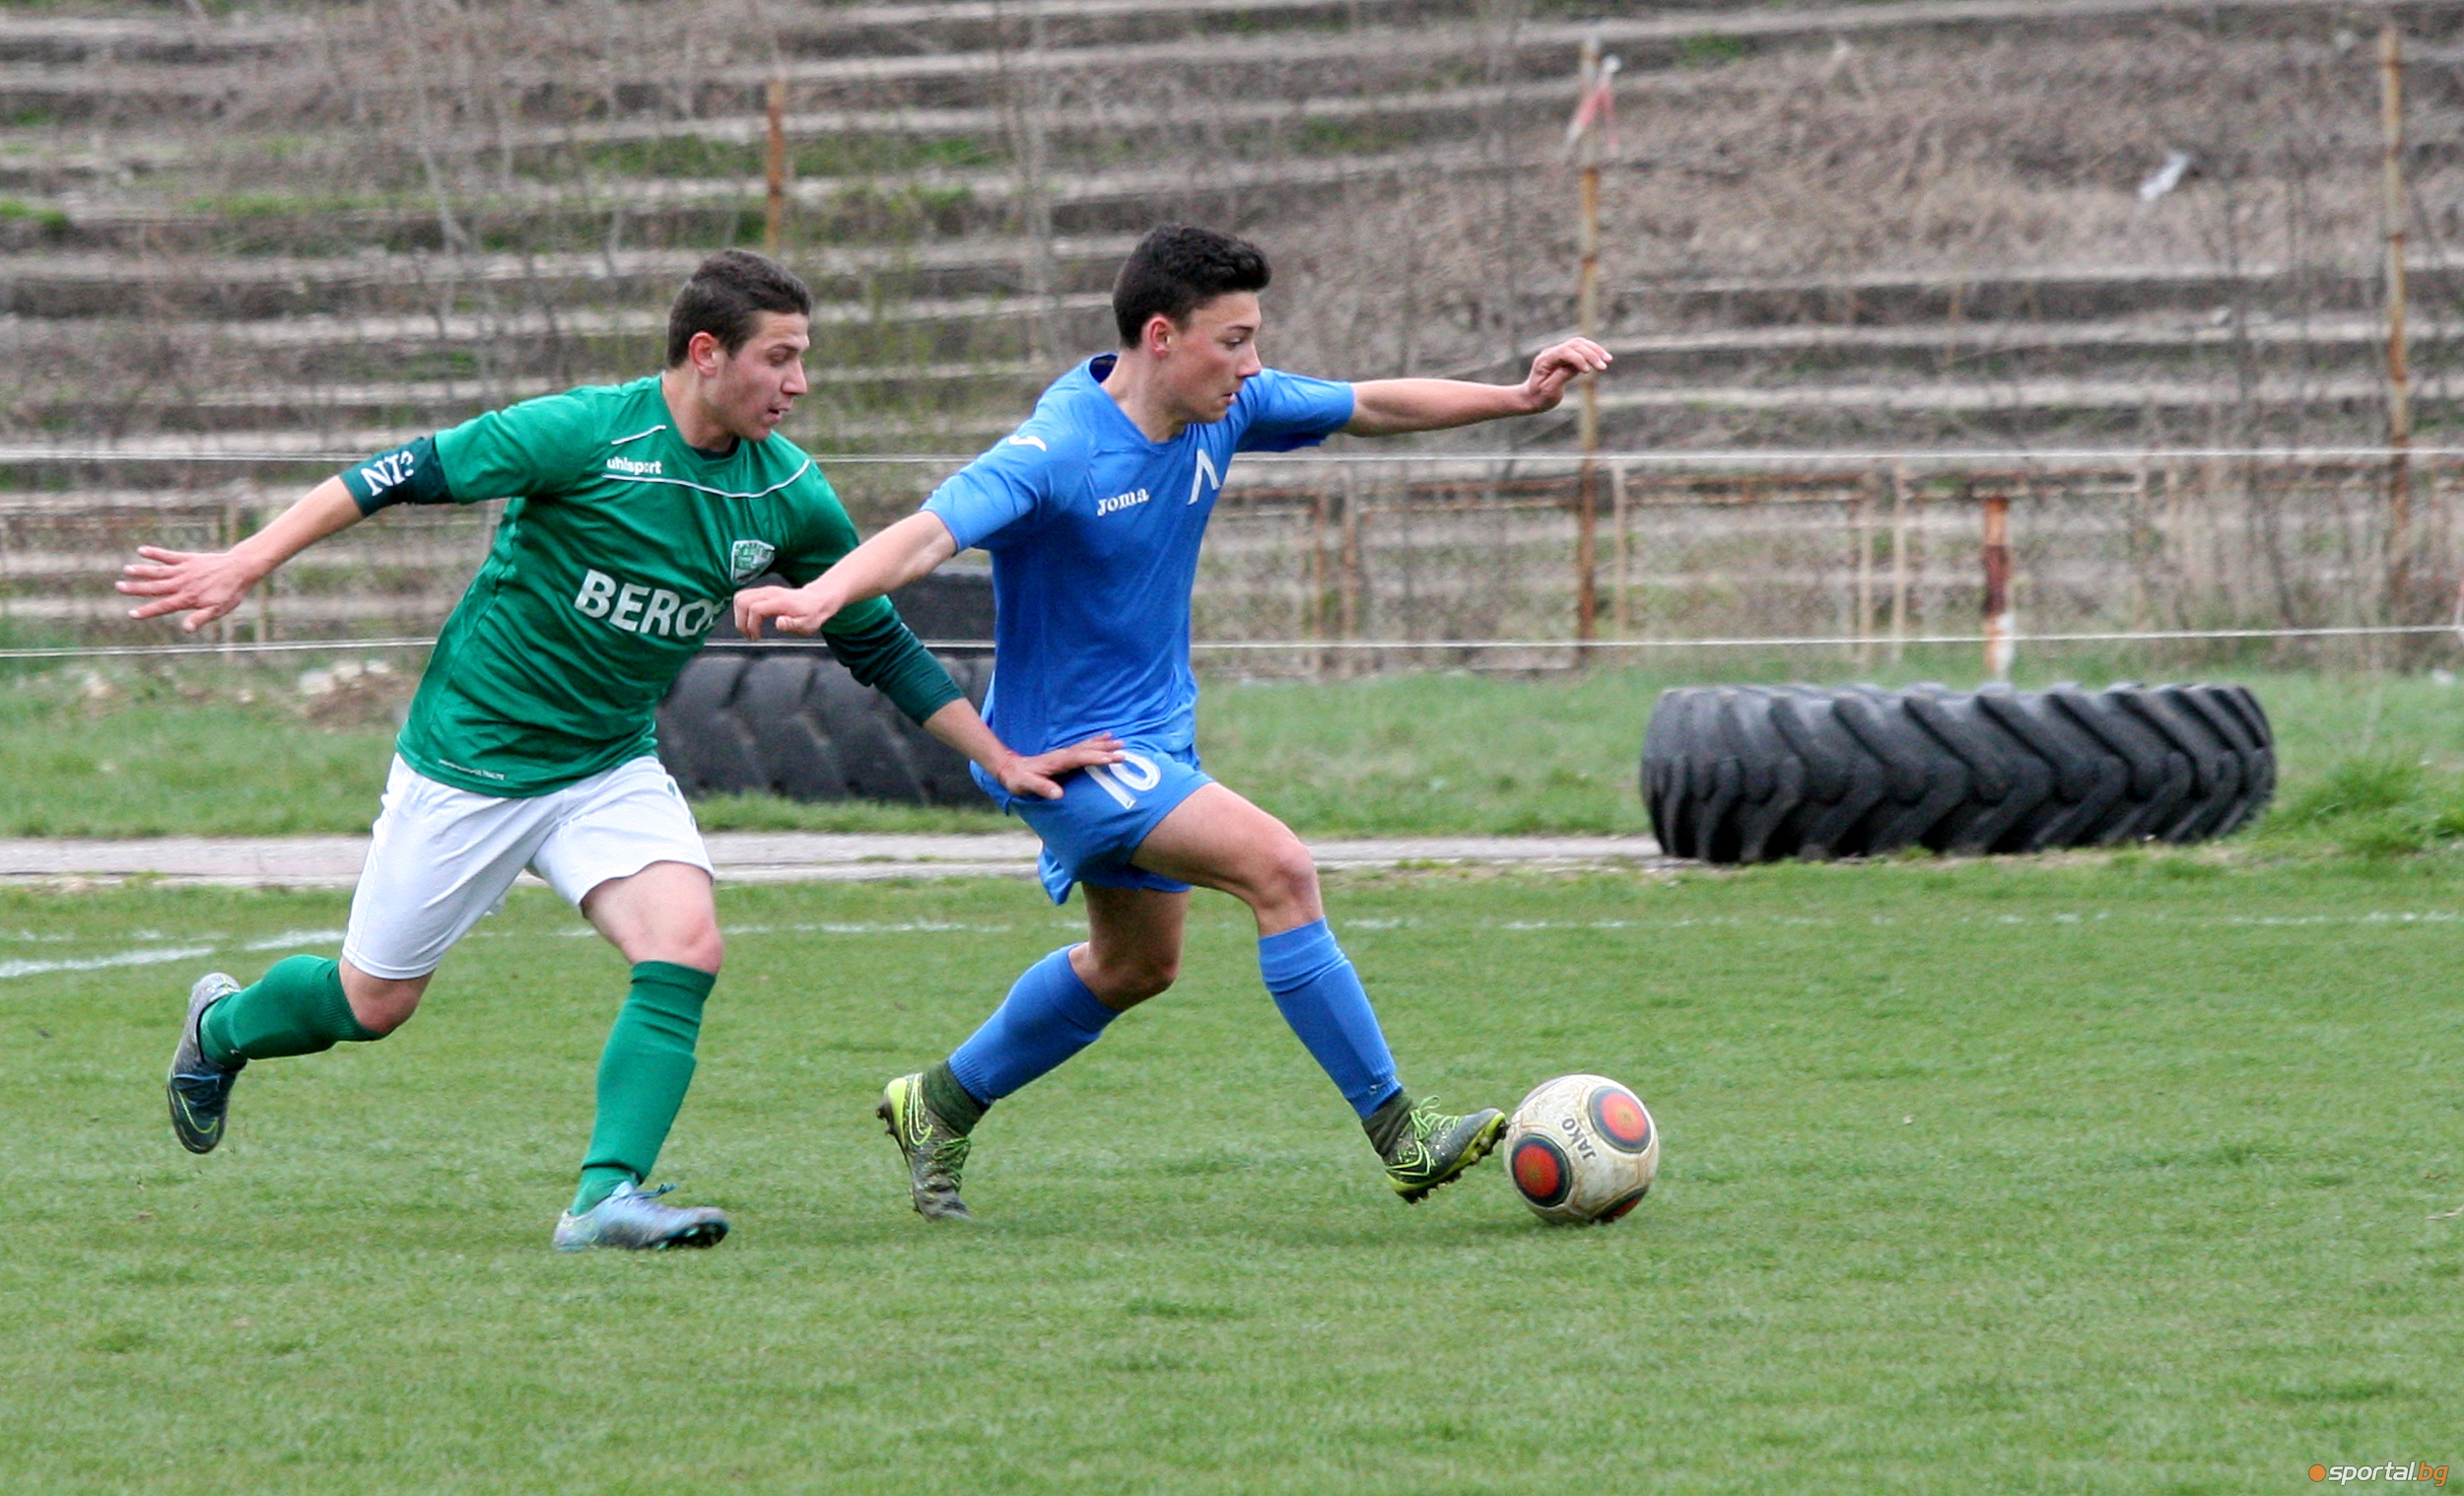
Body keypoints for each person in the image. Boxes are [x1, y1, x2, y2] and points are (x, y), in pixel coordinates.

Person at [124, 249, 1111, 1251]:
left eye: (802, 357)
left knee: (685, 943)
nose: (799, 383)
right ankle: (223, 1029)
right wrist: (243, 560)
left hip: (606, 766)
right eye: (778, 358)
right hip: (474, 759)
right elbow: (394, 474)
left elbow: (876, 642)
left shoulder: (790, 497)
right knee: (371, 1002)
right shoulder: (586, 432)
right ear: (705, 354)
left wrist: (999, 756)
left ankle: (604, 1199)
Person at [735, 224, 1611, 1219]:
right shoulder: (1059, 448)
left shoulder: (1224, 407)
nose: (1252, 364)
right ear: (1162, 336)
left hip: (1154, 741)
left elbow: (1369, 402)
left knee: (1135, 966)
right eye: (1232, 340)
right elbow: (930, 531)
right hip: (1069, 757)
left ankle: (936, 1103)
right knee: (1279, 868)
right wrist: (824, 597)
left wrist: (1518, 396)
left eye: (1254, 339)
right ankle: (1400, 1134)